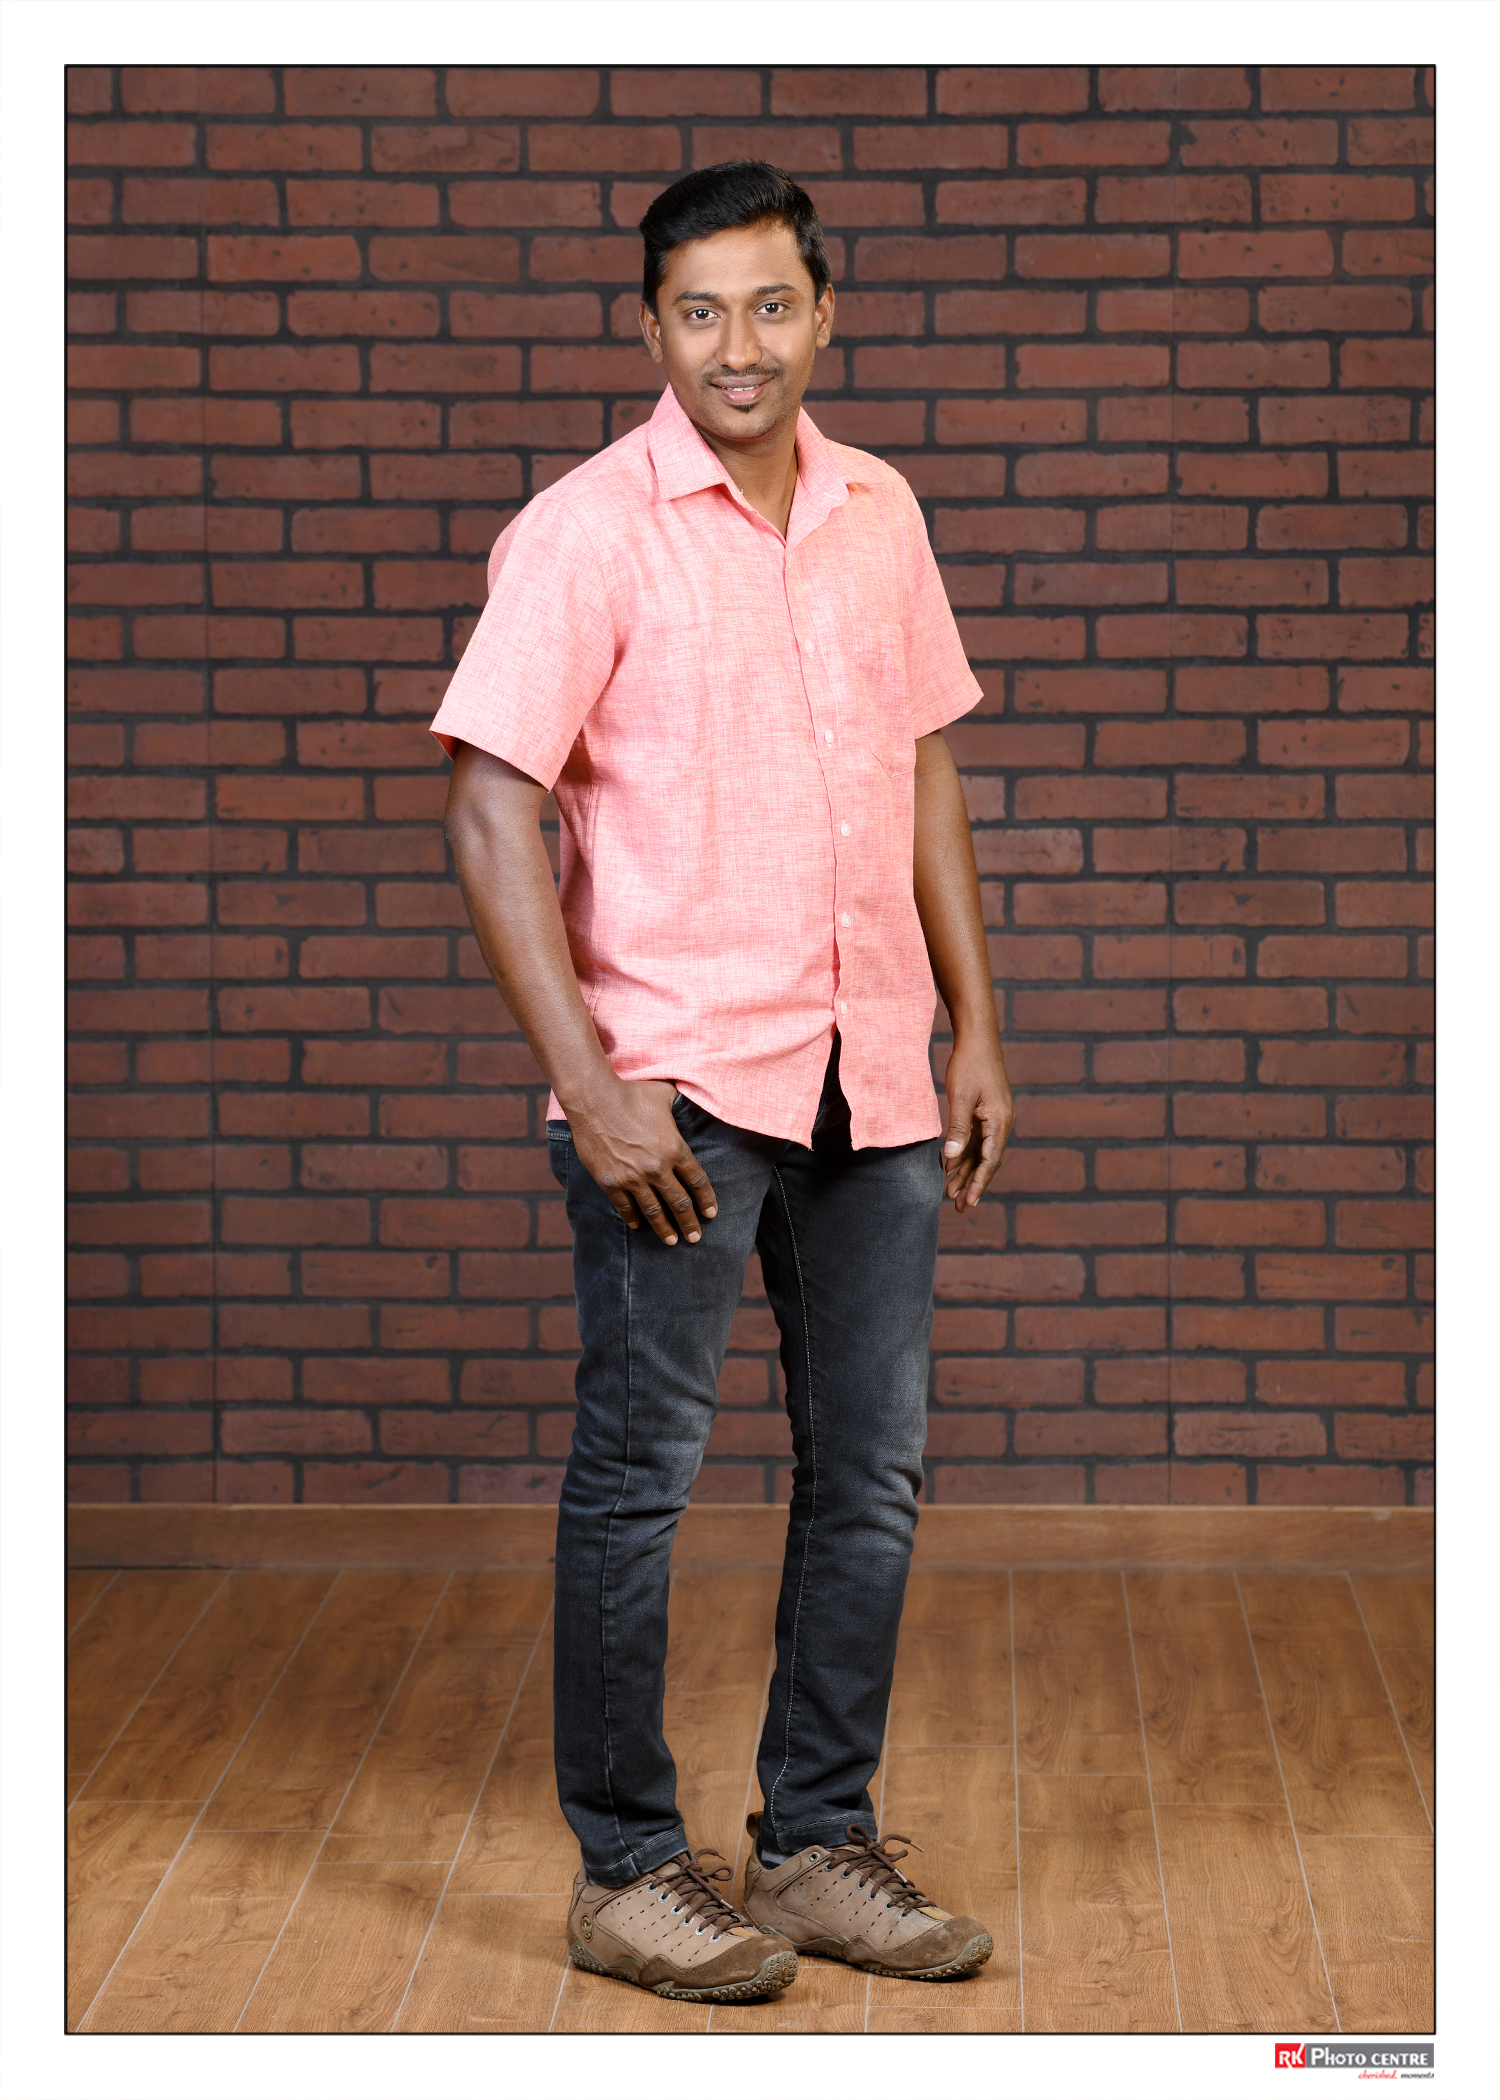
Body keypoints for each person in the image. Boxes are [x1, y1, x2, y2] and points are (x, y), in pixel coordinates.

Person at [432, 162, 1016, 2004]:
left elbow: (924, 767)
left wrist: (974, 1022)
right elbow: (490, 807)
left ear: (825, 313)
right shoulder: (586, 532)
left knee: (872, 1478)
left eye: (770, 305)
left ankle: (817, 1844)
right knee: (639, 1483)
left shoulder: (880, 511)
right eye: (699, 311)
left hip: (872, 1074)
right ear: (651, 330)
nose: (736, 345)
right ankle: (625, 1873)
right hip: (673, 1092)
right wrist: (592, 1087)